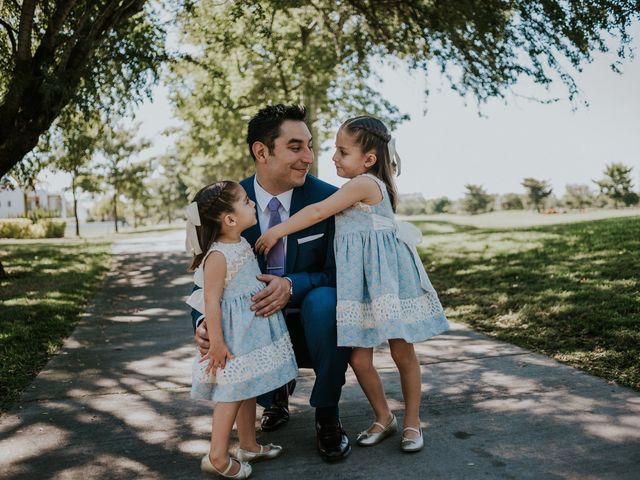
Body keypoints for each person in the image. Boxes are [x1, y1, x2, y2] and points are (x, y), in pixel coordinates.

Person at [255, 115, 450, 452]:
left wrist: (277, 230)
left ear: (368, 160)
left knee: (402, 352)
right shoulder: (355, 185)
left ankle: (413, 423)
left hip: (386, 282)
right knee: (359, 359)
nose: (332, 157)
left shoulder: (365, 184)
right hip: (360, 286)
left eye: (342, 151)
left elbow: (317, 212)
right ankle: (383, 416)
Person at [192, 104, 352, 462]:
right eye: (296, 147)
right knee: (235, 320)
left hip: (311, 321)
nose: (309, 157)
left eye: (310, 145)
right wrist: (203, 324)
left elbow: (340, 273)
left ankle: (328, 414)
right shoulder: (228, 203)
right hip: (252, 326)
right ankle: (274, 396)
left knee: (325, 303)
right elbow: (205, 278)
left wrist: (292, 284)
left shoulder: (329, 199)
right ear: (261, 152)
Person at [185, 181, 298, 478]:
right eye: (247, 202)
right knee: (232, 394)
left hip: (251, 329)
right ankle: (218, 456)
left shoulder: (240, 242)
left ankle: (248, 443)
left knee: (248, 387)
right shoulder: (218, 256)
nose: (252, 205)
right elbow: (210, 300)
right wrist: (218, 343)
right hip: (233, 336)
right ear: (230, 220)